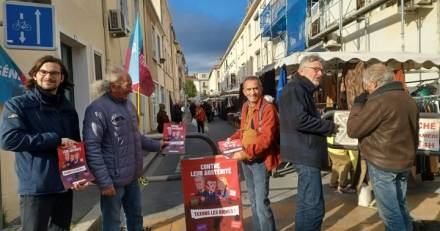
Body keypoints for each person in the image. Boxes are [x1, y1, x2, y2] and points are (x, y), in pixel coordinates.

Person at [0, 55, 88, 231]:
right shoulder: (18, 105)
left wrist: (78, 176)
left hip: (64, 187)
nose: (49, 76)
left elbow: (74, 145)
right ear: (34, 75)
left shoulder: (67, 108)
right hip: (36, 188)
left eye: (55, 73)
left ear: (62, 78)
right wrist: (54, 139)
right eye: (44, 72)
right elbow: (9, 140)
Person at [82, 67, 166, 231]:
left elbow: (136, 137)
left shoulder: (128, 105)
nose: (131, 88)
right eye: (127, 85)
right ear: (113, 86)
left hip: (133, 177)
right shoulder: (97, 109)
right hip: (113, 181)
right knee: (112, 222)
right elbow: (92, 148)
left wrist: (157, 145)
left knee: (136, 216)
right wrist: (105, 182)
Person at [347, 63, 418, 230]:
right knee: (400, 208)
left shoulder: (379, 101)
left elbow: (353, 129)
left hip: (383, 163)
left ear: (375, 83)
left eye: (367, 85)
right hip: (403, 161)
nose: (367, 89)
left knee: (391, 213)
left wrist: (357, 105)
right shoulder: (408, 99)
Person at [279, 55, 337, 230]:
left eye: (321, 70)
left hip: (304, 152)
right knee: (313, 208)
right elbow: (300, 120)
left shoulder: (300, 89)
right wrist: (328, 126)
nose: (320, 73)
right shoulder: (296, 89)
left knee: (306, 204)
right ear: (302, 71)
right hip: (305, 153)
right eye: (316, 69)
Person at [228, 76, 280, 231]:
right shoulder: (245, 106)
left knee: (261, 203)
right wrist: (231, 140)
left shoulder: (268, 108)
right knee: (252, 200)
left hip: (260, 161)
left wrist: (244, 153)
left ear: (261, 89)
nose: (252, 92)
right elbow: (244, 131)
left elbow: (266, 140)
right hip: (247, 162)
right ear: (244, 91)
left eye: (255, 88)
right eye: (249, 89)